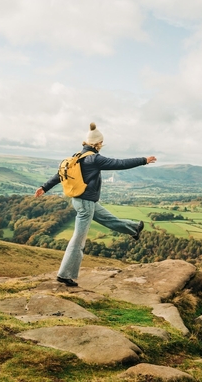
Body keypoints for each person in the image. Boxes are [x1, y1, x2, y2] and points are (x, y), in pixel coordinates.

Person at [34, 122, 157, 287]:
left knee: (108, 219)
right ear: (98, 144)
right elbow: (119, 164)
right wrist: (144, 160)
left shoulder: (76, 156)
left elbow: (60, 175)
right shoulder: (94, 159)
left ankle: (133, 228)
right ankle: (64, 275)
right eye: (101, 143)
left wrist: (44, 187)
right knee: (78, 240)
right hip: (85, 204)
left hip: (79, 200)